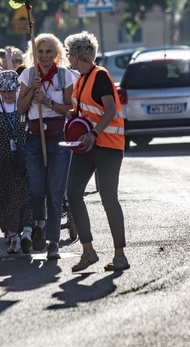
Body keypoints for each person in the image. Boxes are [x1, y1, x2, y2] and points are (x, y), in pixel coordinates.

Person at [63, 31, 129, 272]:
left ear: (79, 55)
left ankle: (120, 255)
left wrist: (93, 133)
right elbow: (91, 109)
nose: (68, 58)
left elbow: (110, 110)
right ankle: (88, 251)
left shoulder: (99, 75)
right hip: (87, 146)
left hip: (107, 145)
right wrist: (75, 115)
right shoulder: (81, 77)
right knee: (73, 194)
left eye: (69, 53)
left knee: (109, 199)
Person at [18, 33, 77, 260]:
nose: (44, 56)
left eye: (49, 52)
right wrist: (33, 92)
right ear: (35, 53)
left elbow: (71, 110)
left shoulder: (65, 76)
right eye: (40, 52)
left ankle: (53, 242)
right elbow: (21, 108)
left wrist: (49, 102)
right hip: (34, 137)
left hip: (59, 137)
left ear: (56, 54)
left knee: (54, 191)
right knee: (36, 188)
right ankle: (39, 223)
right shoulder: (28, 74)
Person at [0, 70, 33, 254]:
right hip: (1, 155)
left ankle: (27, 231)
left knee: (25, 191)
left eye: (11, 91)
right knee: (4, 194)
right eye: (4, 91)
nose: (8, 94)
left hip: (22, 154)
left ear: (17, 89)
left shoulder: (23, 101)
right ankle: (13, 236)